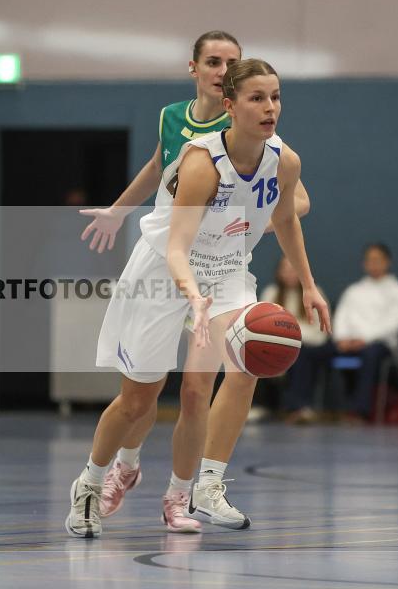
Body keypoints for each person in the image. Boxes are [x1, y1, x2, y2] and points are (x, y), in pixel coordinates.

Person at [65, 58, 330, 538]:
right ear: (229, 106)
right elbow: (176, 248)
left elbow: (288, 219)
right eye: (256, 98)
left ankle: (189, 494)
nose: (270, 107)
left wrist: (309, 285)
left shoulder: (284, 161)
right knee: (138, 400)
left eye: (275, 97)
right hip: (167, 273)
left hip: (227, 271)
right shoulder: (201, 163)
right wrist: (192, 294)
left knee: (228, 374)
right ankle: (90, 481)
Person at [331, 243, 398, 421]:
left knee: (370, 354)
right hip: (348, 342)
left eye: (377, 260)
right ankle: (300, 407)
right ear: (364, 264)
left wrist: (364, 339)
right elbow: (341, 317)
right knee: (314, 351)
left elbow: (394, 323)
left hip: (379, 345)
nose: (373, 264)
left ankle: (360, 411)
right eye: (369, 260)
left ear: (387, 262)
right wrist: (342, 339)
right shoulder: (353, 290)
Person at [259, 256, 331, 423]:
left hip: (311, 347)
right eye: (286, 269)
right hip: (278, 346)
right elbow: (263, 327)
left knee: (301, 354)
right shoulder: (271, 293)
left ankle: (299, 407)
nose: (290, 273)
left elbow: (322, 333)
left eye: (294, 269)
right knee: (253, 351)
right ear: (279, 272)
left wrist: (292, 336)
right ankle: (259, 405)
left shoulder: (315, 292)